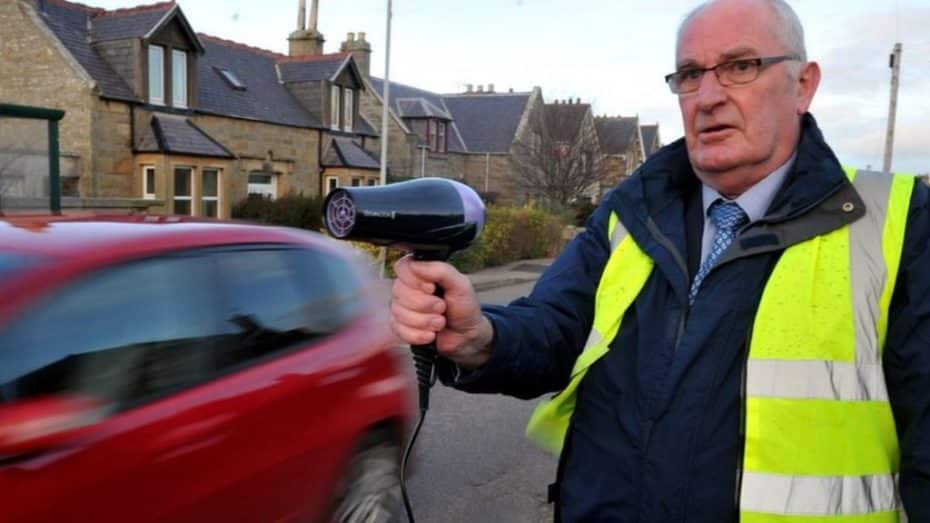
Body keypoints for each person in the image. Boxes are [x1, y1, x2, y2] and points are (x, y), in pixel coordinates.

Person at [390, 0, 930, 520]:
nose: (708, 96)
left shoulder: (900, 223)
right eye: (690, 74)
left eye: (740, 66)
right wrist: (481, 337)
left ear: (803, 84)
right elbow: (556, 327)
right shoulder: (631, 213)